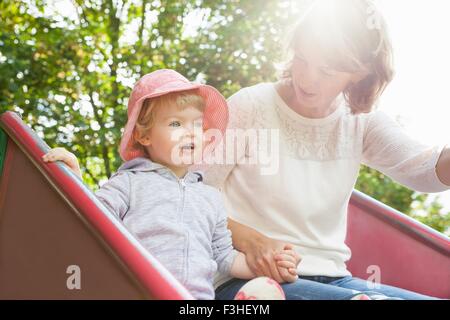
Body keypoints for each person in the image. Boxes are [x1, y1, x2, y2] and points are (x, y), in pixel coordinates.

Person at [199, 0, 450, 300]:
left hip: (335, 280)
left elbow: (424, 170)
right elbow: (190, 195)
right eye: (302, 58)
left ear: (359, 72)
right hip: (245, 278)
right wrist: (250, 240)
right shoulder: (251, 106)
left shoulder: (360, 122)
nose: (306, 77)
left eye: (327, 70)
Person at [42, 69, 299, 300]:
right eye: (176, 123)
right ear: (144, 135)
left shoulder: (209, 197)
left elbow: (224, 258)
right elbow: (90, 218)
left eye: (197, 124)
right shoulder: (129, 183)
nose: (190, 132)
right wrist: (73, 179)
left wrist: (268, 265)